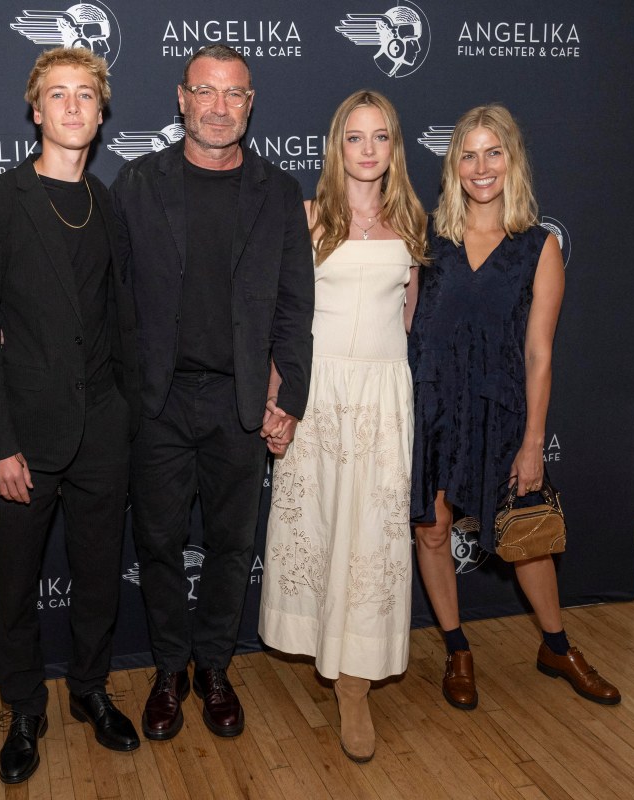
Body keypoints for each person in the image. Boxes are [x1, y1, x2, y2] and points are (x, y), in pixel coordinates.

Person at [110, 44, 314, 741]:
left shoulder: (279, 192)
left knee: (232, 545)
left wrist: (285, 399)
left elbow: (293, 307)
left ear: (250, 104)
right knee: (160, 544)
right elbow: (109, 298)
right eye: (206, 92)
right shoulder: (137, 186)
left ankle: (215, 669)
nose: (219, 107)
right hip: (159, 403)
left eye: (234, 95)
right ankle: (169, 669)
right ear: (182, 98)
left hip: (240, 403)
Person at [0, 47, 141, 784]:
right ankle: (24, 709)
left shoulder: (109, 205)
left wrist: (127, 416)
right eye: (56, 95)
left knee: (98, 577)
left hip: (104, 429)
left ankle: (90, 689)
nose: (71, 107)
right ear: (35, 111)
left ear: (101, 112)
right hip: (24, 437)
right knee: (16, 584)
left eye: (85, 95)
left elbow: (121, 320)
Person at [409, 104, 620, 711]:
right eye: (469, 154)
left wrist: (533, 440)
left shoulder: (538, 246)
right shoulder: (429, 237)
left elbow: (539, 354)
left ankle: (556, 645)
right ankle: (457, 647)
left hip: (501, 410)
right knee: (432, 528)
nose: (481, 167)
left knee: (525, 535)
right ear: (455, 165)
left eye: (493, 153)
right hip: (432, 407)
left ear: (512, 160)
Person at [259, 90, 427, 763]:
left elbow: (407, 319)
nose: (366, 150)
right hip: (318, 392)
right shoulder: (305, 220)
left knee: (372, 540)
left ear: (393, 148)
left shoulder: (412, 223)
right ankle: (320, 649)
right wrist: (279, 401)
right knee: (321, 526)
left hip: (383, 398)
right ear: (337, 145)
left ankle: (353, 685)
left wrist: (379, 380)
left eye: (379, 137)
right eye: (354, 137)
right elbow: (283, 322)